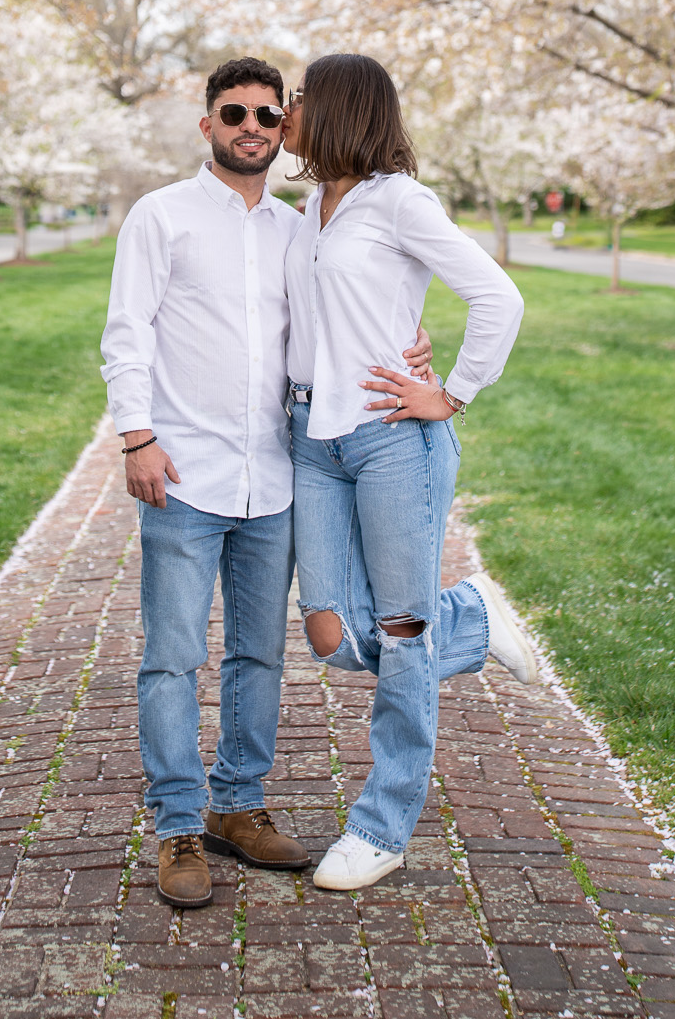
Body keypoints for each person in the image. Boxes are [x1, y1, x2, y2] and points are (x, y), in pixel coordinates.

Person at [100, 55, 433, 908]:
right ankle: (178, 825)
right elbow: (125, 331)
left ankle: (237, 808)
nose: (251, 127)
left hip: (276, 476)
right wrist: (136, 436)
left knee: (259, 655)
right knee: (173, 658)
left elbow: (355, 309)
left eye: (266, 115)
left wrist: (414, 346)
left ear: (285, 127)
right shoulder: (161, 217)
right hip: (182, 473)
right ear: (206, 122)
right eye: (233, 112)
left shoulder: (301, 226)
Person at [280, 51, 538, 894]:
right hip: (313, 440)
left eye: (298, 99)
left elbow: (498, 297)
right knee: (332, 633)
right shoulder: (305, 208)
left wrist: (451, 393)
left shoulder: (399, 202)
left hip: (393, 439)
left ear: (341, 109)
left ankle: (381, 827)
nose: (285, 111)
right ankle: (469, 615)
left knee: (398, 639)